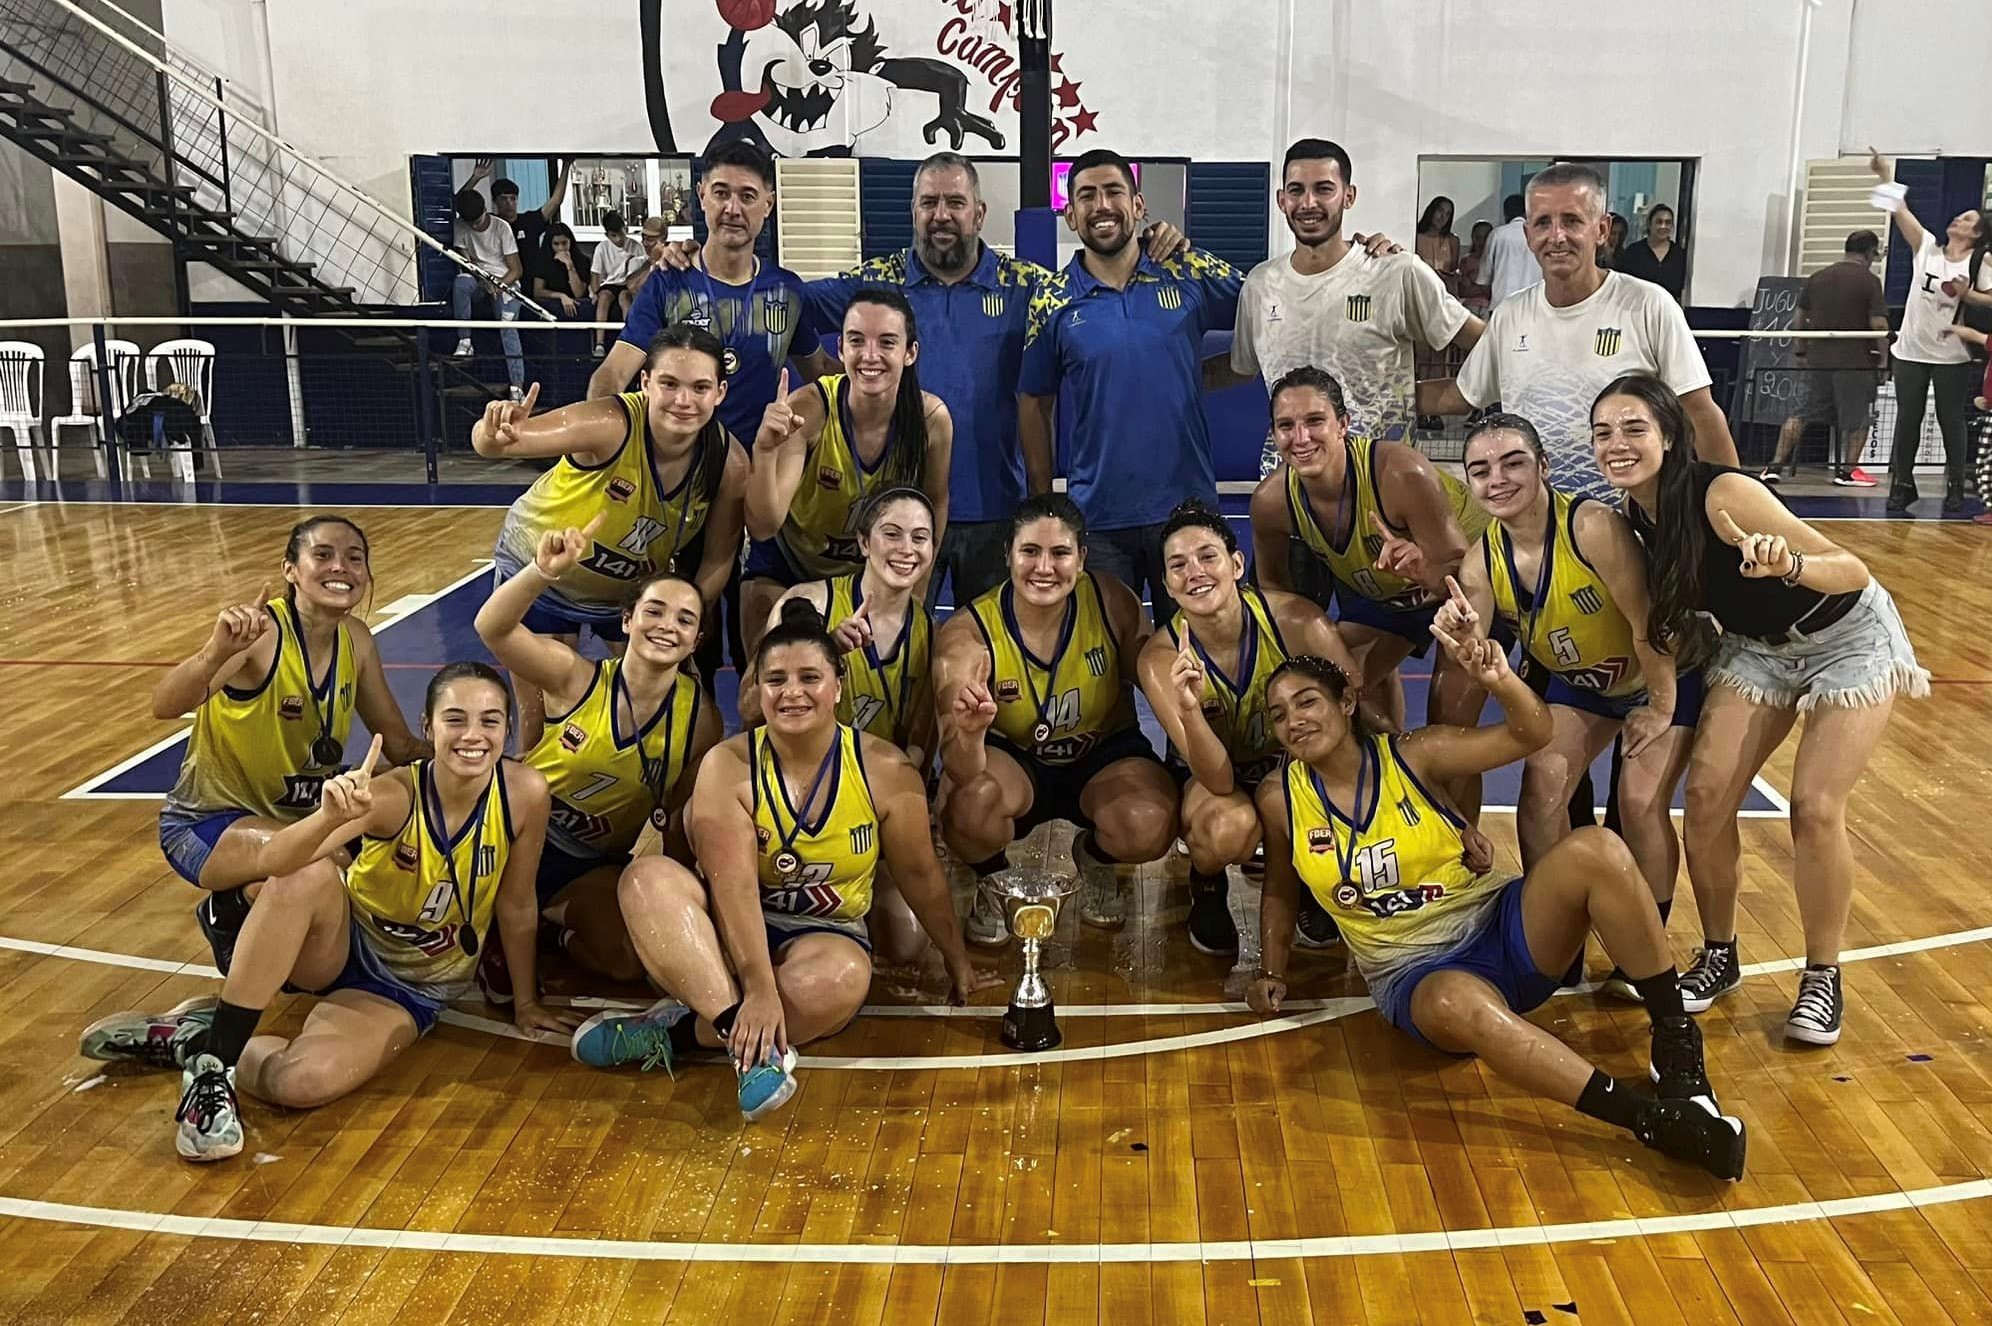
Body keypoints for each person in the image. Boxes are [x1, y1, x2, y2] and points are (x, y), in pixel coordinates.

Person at [1250, 651, 1746, 1181]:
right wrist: (1271, 969)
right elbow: (1281, 884)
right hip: (1415, 974)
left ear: (1347, 702)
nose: (1294, 720)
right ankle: (1647, 1120)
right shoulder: (1281, 798)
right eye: (1278, 714)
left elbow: (1532, 733)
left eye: (1307, 702)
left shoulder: (1418, 754)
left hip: (1502, 927)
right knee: (1453, 999)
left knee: (1597, 848)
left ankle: (1674, 1037)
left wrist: (1499, 678)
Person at [81, 665, 570, 1162]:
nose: (472, 735)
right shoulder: (392, 795)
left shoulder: (525, 793)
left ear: (508, 729)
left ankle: (197, 1040)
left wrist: (526, 1001)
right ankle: (216, 1064)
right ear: (428, 727)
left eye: (490, 721)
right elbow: (277, 860)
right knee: (308, 872)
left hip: (408, 986)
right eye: (455, 719)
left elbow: (516, 902)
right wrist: (327, 820)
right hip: (339, 944)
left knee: (300, 1082)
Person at [1593, 373, 1928, 1044]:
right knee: (1709, 797)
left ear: (1669, 435)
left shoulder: (1725, 492)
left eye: (1634, 428)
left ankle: (1822, 976)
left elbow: (1852, 570)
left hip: (1847, 638)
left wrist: (1788, 565)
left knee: (1814, 806)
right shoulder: (1634, 516)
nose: (1617, 444)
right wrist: (1659, 701)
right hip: (1758, 649)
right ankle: (1720, 956)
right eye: (1603, 432)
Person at [569, 600, 1000, 1120]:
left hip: (823, 934)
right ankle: (745, 1044)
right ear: (758, 692)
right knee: (645, 878)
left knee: (844, 979)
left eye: (809, 677)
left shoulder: (887, 769)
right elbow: (732, 888)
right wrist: (757, 990)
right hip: (729, 929)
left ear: (838, 686)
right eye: (776, 680)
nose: (792, 692)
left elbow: (920, 875)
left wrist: (958, 962)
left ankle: (677, 1029)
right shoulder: (727, 764)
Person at [1440, 413, 1701, 1001]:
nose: (1497, 479)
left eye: (1513, 463)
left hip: (1662, 670)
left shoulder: (1592, 527)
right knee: (1541, 786)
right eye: (1480, 470)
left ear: (1544, 467)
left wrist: (1661, 705)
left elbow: (1648, 623)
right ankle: (1556, 940)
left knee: (1637, 803)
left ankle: (1646, 950)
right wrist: (1461, 639)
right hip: (1584, 685)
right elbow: (1478, 650)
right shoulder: (1482, 560)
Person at [153, 514, 429, 975]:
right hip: (208, 826)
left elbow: (399, 744)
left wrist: (470, 759)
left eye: (354, 558)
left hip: (301, 819)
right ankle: (231, 910)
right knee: (329, 861)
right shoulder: (259, 637)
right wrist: (216, 652)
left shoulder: (356, 641)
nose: (340, 567)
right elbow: (165, 705)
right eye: (323, 555)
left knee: (403, 845)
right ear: (290, 571)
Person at [474, 325, 748, 747]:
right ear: (645, 382)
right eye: (669, 384)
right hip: (543, 575)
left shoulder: (729, 462)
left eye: (700, 387)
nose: (683, 401)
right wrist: (491, 432)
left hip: (625, 594)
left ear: (721, 392)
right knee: (540, 728)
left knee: (659, 716)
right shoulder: (609, 424)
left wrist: (687, 616)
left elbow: (718, 558)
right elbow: (500, 444)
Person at [474, 528, 720, 988]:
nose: (668, 625)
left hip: (586, 863)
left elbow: (678, 822)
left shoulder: (701, 720)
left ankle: (548, 927)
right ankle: (498, 922)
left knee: (629, 960)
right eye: (654, 610)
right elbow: (493, 628)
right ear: (627, 620)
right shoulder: (573, 677)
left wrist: (683, 902)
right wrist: (541, 572)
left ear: (696, 640)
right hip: (507, 839)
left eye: (685, 620)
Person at [935, 494, 1177, 937]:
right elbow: (957, 766)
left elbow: (1159, 682)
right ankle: (992, 877)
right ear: (1007, 553)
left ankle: (1097, 859)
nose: (1044, 568)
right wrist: (968, 736)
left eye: (1060, 552)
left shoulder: (1112, 603)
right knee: (966, 808)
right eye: (1030, 551)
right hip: (1016, 762)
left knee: (1151, 822)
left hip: (1101, 751)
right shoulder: (968, 636)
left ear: (1082, 558)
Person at [1019, 148, 1244, 623]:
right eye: (1086, 196)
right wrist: (1044, 503)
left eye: (1113, 191)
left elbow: (1272, 304)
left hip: (1188, 512)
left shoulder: (1188, 271)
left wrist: (1358, 254)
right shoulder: (1052, 299)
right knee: (1106, 672)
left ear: (1139, 206)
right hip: (1098, 519)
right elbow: (1035, 402)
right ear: (1070, 214)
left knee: (1202, 659)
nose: (1101, 205)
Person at [1136, 498, 1369, 955]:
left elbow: (1349, 718)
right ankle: (1206, 882)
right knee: (1228, 827)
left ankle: (1311, 877)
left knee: (1341, 779)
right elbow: (1218, 778)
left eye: (1208, 556)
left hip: (1291, 764)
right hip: (1216, 779)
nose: (1195, 572)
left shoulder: (1299, 622)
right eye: (1178, 566)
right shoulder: (1161, 659)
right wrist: (1188, 709)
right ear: (1166, 584)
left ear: (1237, 563)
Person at [1427, 162, 1739, 502]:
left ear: (1602, 229)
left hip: (1634, 531)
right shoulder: (1510, 316)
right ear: (1529, 234)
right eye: (1543, 222)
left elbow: (1701, 413)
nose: (1557, 236)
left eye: (1572, 221)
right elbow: (1461, 394)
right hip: (1542, 531)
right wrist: (1372, 386)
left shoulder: (1649, 305)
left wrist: (1737, 508)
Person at [1217, 139, 1482, 479]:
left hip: (1382, 488)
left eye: (1323, 189)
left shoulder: (1396, 272)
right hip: (1291, 489)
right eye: (1296, 190)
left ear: (1349, 195)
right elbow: (1241, 367)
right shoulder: (1260, 284)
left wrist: (1438, 397)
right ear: (1282, 200)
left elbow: (1485, 343)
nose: (1308, 203)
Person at [1248, 367, 1485, 738]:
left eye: (1314, 421)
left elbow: (1461, 577)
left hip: (1466, 585)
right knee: (1339, 686)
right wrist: (1316, 631)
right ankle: (1395, 768)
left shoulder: (1401, 474)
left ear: (1343, 424)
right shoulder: (1271, 503)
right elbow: (1276, 594)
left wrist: (1425, 570)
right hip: (1385, 590)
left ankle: (1423, 774)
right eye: (1285, 426)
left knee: (1450, 728)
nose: (1301, 438)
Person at [742, 289, 952, 655]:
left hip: (868, 572)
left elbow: (935, 503)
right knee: (769, 675)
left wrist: (916, 590)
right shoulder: (808, 410)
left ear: (910, 352)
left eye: (887, 342)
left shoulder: (930, 420)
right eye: (857, 341)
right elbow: (764, 525)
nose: (870, 356)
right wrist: (763, 450)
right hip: (791, 564)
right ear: (840, 348)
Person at [745, 488, 938, 767]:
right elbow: (748, 706)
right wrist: (822, 652)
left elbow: (919, 742)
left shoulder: (929, 632)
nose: (907, 549)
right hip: (800, 772)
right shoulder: (811, 604)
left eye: (920, 538)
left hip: (877, 780)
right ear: (864, 542)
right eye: (892, 534)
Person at [1868, 150, 1992, 513]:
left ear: (1978, 232)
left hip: (1951, 352)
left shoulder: (1979, 261)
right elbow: (1899, 209)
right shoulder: (1927, 247)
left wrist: (1966, 293)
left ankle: (1956, 484)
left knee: (1950, 419)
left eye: (1967, 218)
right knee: (1908, 418)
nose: (1958, 219)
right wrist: (1882, 175)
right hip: (1910, 349)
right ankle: (1902, 484)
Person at [1761, 230, 1888, 488]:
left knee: (1800, 414)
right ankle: (1847, 472)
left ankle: (1774, 465)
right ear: (1869, 252)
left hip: (1817, 361)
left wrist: (1801, 351)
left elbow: (1798, 322)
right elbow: (1878, 324)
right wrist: (1884, 359)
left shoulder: (1817, 278)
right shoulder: (1869, 282)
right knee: (1858, 419)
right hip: (1855, 363)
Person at [450, 188, 525, 400]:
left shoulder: (502, 228)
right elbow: (468, 263)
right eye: (470, 223)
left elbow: (516, 269)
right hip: (479, 280)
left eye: (478, 220)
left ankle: (517, 386)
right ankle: (465, 341)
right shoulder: (461, 226)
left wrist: (498, 284)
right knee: (461, 283)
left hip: (506, 282)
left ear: (486, 210)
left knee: (507, 325)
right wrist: (484, 281)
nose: (475, 226)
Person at [474, 158, 572, 265]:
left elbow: (555, 202)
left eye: (513, 198)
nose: (509, 203)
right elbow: (464, 208)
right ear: (494, 201)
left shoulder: (529, 221)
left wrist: (566, 166)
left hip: (530, 279)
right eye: (503, 199)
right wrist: (475, 178)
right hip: (500, 277)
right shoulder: (489, 223)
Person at [588, 211, 648, 357]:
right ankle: (599, 344)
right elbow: (596, 275)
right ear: (607, 235)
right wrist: (595, 292)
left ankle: (630, 340)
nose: (619, 239)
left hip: (628, 284)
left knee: (624, 298)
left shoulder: (636, 247)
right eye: (614, 236)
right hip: (609, 284)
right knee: (604, 298)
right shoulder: (602, 248)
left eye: (622, 233)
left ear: (625, 229)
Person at [1480, 193, 1541, 309]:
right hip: (1532, 306)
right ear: (1527, 212)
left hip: (1502, 306)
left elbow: (1484, 277)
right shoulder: (1538, 235)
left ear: (1505, 213)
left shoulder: (1497, 234)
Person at [1617, 204, 1688, 303]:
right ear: (1649, 224)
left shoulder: (1680, 255)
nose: (1663, 226)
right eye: (1659, 222)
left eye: (1668, 223)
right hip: (1637, 309)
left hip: (1668, 311)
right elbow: (1623, 284)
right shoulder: (1634, 252)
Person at [532, 222, 590, 318]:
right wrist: (561, 296)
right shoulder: (542, 261)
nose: (561, 248)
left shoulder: (582, 260)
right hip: (550, 307)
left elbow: (579, 293)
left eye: (564, 243)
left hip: (576, 308)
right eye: (556, 244)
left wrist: (570, 265)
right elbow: (537, 291)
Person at [1415, 195, 1461, 283]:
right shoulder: (1416, 238)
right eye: (1440, 211)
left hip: (1444, 288)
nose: (1443, 217)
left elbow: (1453, 271)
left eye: (1447, 214)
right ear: (1432, 211)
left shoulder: (1452, 240)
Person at [1458, 220, 1495, 307]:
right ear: (1473, 237)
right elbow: (1463, 291)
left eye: (1485, 237)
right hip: (1470, 306)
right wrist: (1484, 288)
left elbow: (1495, 290)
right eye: (1478, 237)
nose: (1482, 241)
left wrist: (1475, 286)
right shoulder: (1466, 260)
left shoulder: (1496, 261)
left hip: (1490, 306)